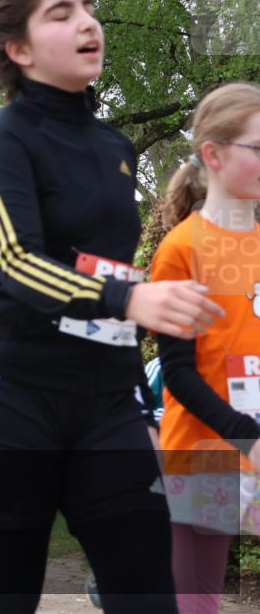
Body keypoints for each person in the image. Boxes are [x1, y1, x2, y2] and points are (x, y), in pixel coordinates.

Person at [0, 0, 224, 613]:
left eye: (89, 6)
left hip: (106, 402)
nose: (87, 21)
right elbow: (16, 260)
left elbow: (111, 266)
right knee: (7, 599)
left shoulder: (114, 145)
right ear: (18, 50)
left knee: (149, 597)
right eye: (61, 13)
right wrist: (130, 300)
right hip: (12, 400)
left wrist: (136, 386)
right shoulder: (6, 134)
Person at [152, 82, 260, 614]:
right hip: (206, 454)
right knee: (197, 601)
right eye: (258, 148)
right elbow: (178, 372)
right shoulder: (181, 249)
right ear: (213, 155)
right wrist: (246, 436)